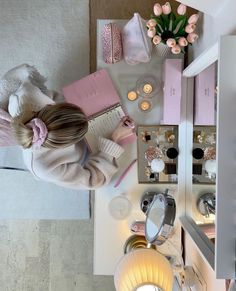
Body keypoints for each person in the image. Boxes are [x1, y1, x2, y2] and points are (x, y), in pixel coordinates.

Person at [0, 64, 136, 189]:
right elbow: (93, 180)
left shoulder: (32, 96)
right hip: (84, 156)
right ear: (64, 145)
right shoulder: (43, 167)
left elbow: (55, 97)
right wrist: (114, 138)